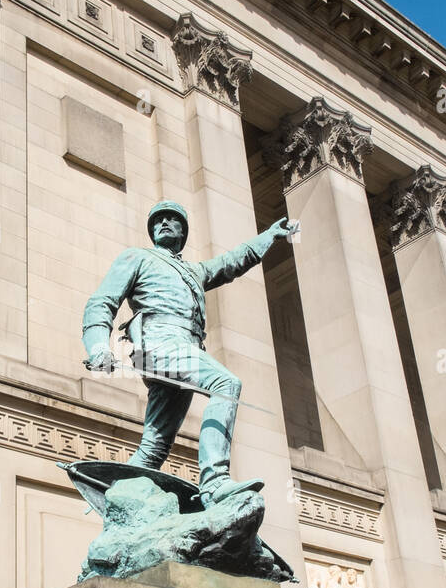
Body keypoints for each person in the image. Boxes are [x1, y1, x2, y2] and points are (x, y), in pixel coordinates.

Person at [82, 200, 298, 507]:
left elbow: (233, 261)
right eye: (158, 220)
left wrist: (269, 236)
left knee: (155, 445)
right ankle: (214, 480)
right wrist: (99, 345)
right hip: (158, 345)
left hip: (185, 348)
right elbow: (101, 302)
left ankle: (116, 498)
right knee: (226, 384)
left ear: (183, 231)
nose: (165, 223)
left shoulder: (195, 272)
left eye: (173, 219)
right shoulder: (136, 257)